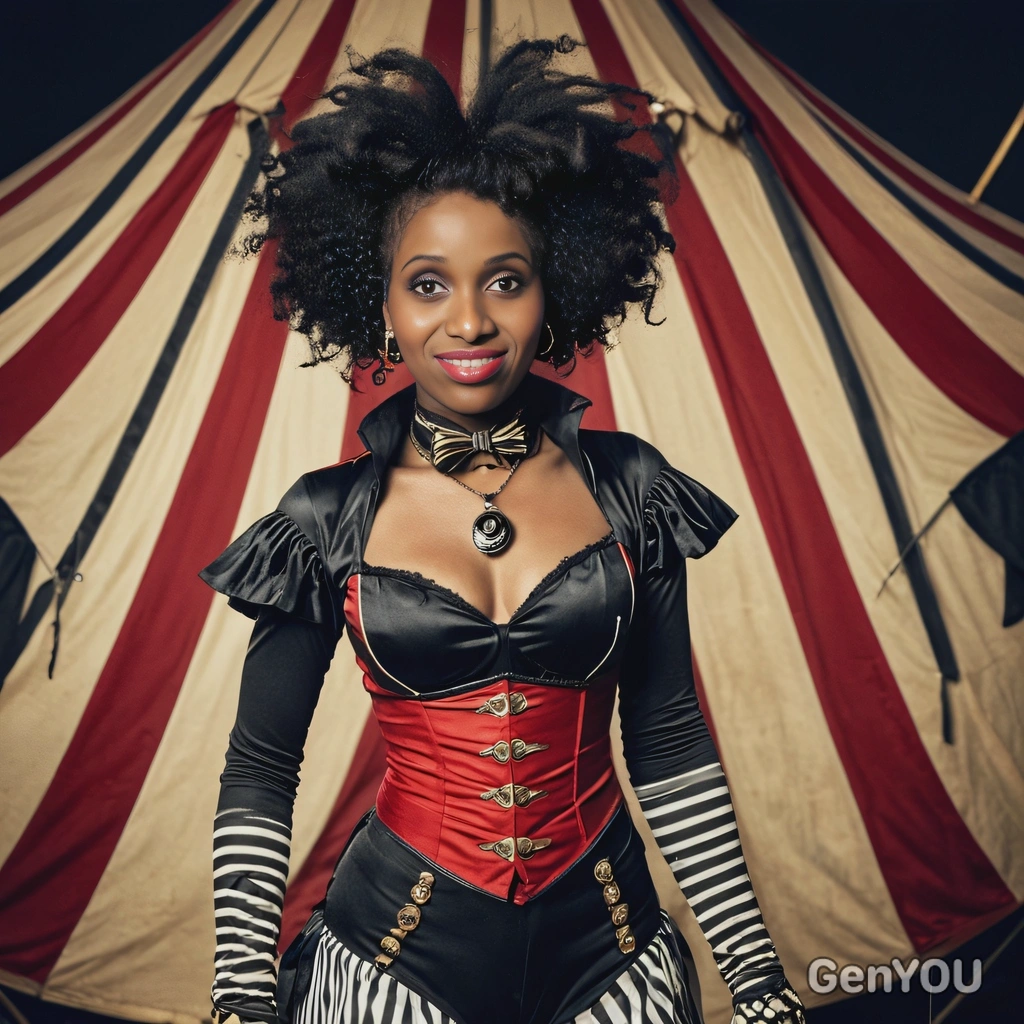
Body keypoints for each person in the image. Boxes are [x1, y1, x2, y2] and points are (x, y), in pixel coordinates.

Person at [198, 37, 808, 1024]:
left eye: (505, 280)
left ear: (551, 291)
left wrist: (759, 982)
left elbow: (667, 735)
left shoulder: (631, 490)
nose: (469, 321)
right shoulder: (321, 519)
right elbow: (263, 766)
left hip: (612, 961)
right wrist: (237, 993)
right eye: (428, 283)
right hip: (389, 970)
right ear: (383, 310)